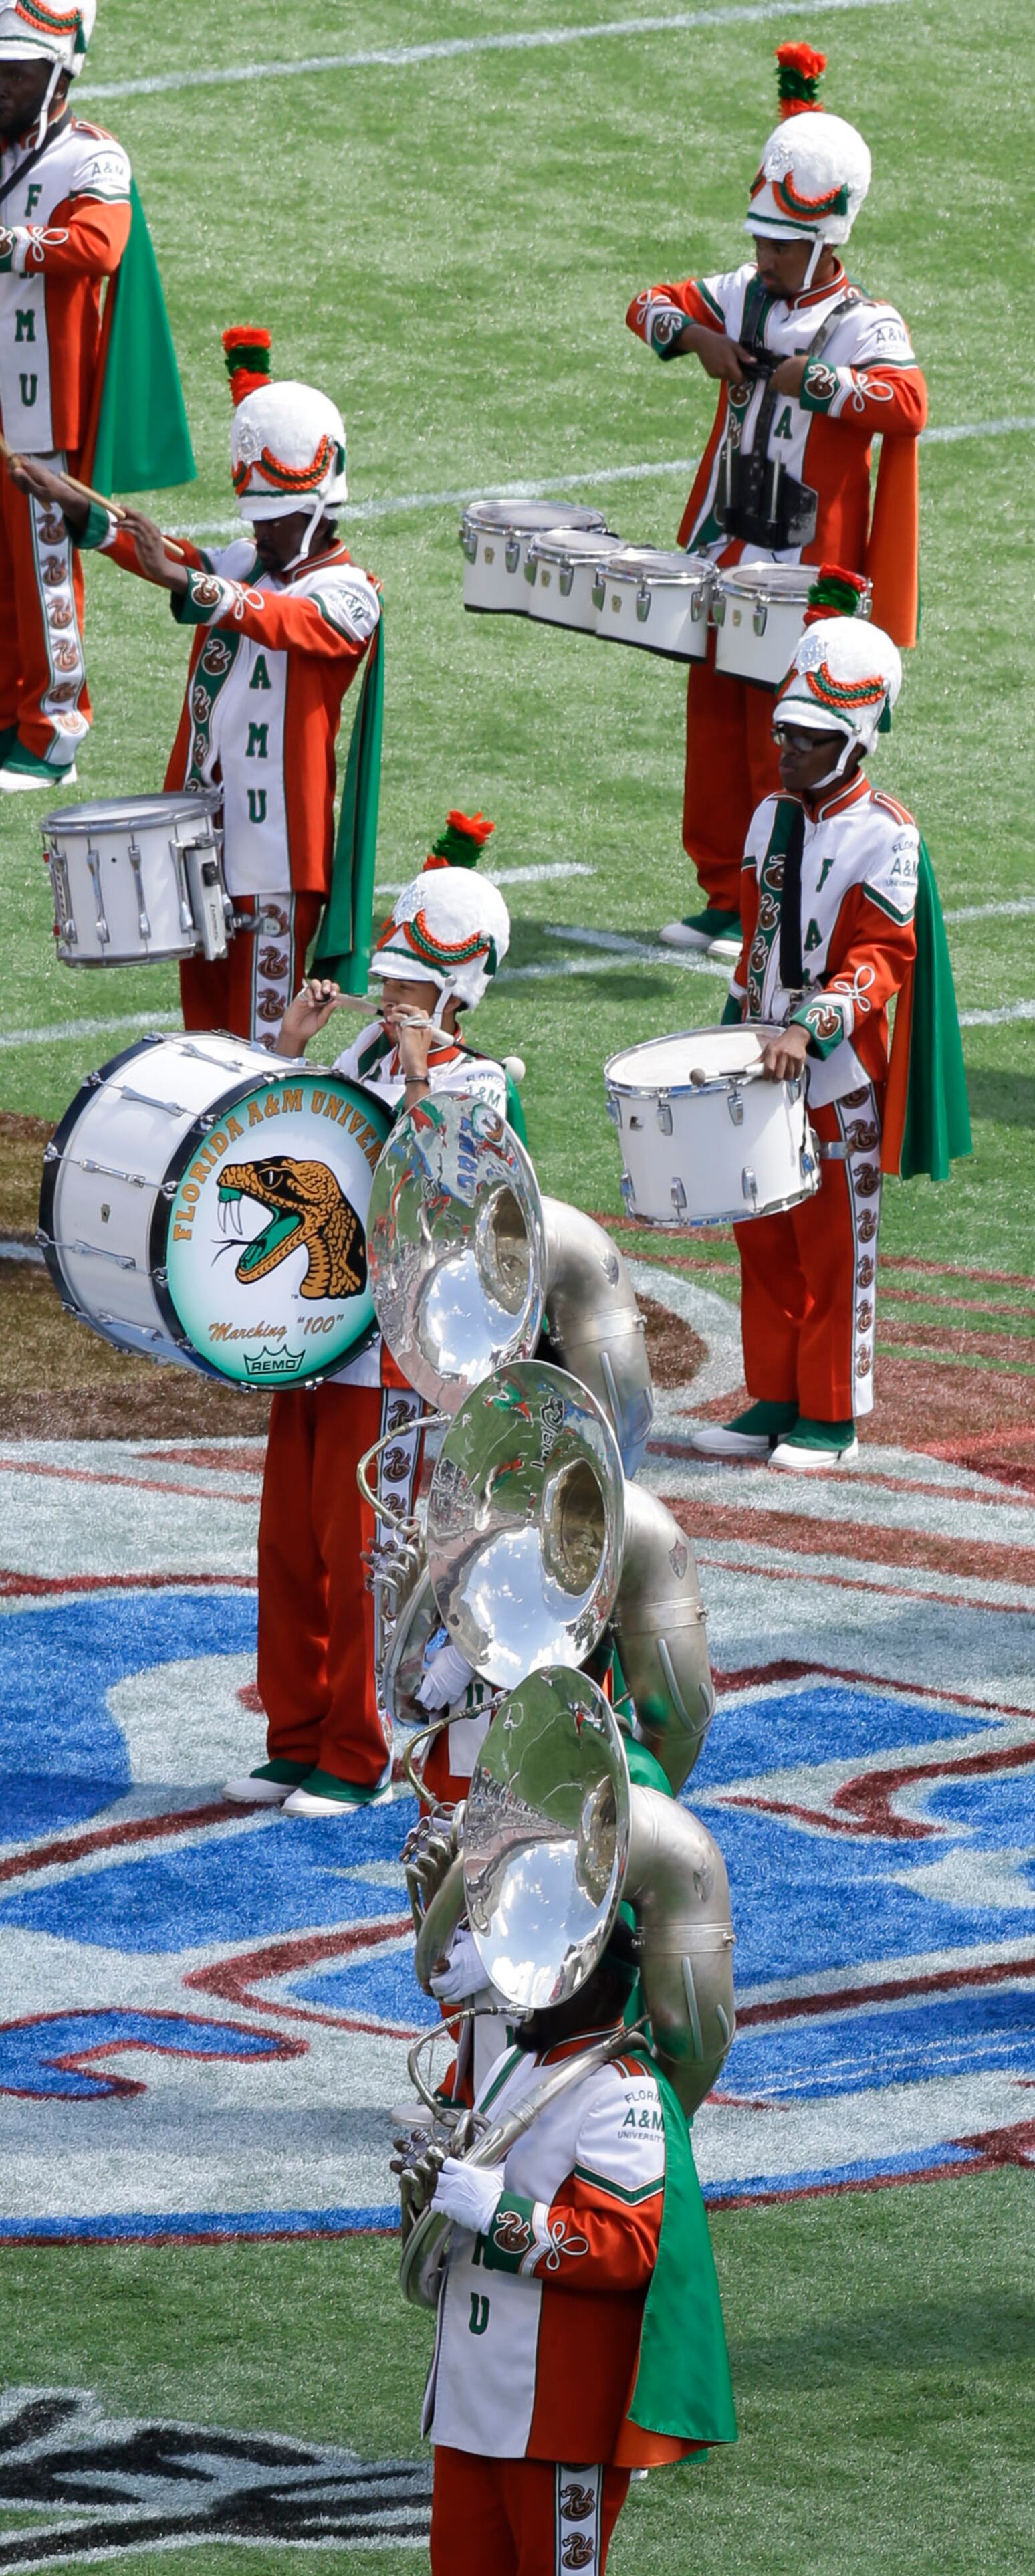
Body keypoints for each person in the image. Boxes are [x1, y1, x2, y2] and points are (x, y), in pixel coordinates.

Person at [392, 1913, 735, 2576]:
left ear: (594, 1981)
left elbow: (626, 2243)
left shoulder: (620, 2090)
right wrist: (428, 2187)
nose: (520, 1987)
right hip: (473, 2384)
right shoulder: (516, 2067)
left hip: (556, 2399)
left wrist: (493, 2211)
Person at [225, 818, 524, 1812]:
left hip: (393, 1353)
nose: (390, 997)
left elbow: (451, 1186)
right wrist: (294, 1049)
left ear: (460, 993)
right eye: (390, 979)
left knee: (364, 1553)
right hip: (311, 1329)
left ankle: (360, 1751)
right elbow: (292, 1137)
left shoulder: (480, 1083)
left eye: (413, 986)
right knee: (291, 1540)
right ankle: (296, 1728)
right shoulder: (361, 1046)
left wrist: (423, 1071)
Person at [626, 40, 925, 954]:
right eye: (758, 237)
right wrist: (694, 342)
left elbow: (906, 405)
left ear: (825, 241)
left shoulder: (866, 323)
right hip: (729, 543)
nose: (760, 253)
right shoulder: (740, 293)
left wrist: (817, 381)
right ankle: (721, 887)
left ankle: (770, 898)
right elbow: (646, 303)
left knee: (780, 731)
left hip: (809, 561)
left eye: (778, 243)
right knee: (713, 727)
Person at [684, 576, 967, 1473]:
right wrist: (735, 1032)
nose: (791, 751)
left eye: (812, 739)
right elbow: (757, 940)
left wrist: (810, 1028)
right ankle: (775, 1391)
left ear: (857, 740)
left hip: (835, 1073)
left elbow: (883, 956)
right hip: (759, 1053)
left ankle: (834, 1415)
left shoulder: (890, 834)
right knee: (761, 1231)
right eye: (786, 734)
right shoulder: (768, 817)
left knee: (832, 1242)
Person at [27, 322, 380, 1043]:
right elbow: (170, 556)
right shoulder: (248, 562)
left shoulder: (351, 594)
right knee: (205, 1043)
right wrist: (79, 510)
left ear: (317, 506)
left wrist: (189, 578)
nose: (261, 533)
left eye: (272, 518)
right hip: (201, 847)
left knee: (261, 1047)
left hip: (277, 866)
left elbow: (282, 621)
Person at [0, 0, 190, 790]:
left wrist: (9, 246)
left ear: (60, 72)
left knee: (44, 567)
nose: (2, 84)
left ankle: (53, 732)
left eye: (17, 71)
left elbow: (99, 247)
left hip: (43, 401)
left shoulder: (93, 157)